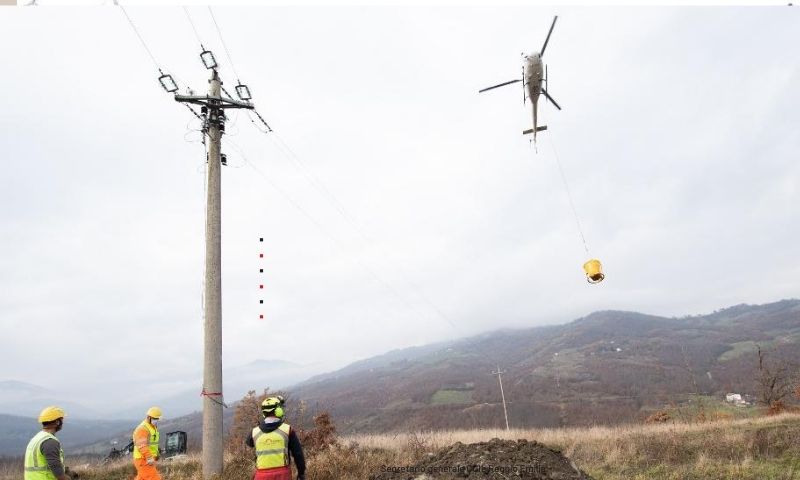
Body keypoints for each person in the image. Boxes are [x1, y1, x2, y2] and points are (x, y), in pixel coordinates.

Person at [246, 396, 306, 480]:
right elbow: (298, 454)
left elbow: (249, 443)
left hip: (261, 475)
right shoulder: (288, 430)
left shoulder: (254, 432)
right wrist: (301, 473)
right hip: (283, 475)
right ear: (278, 411)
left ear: (264, 413)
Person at [24, 406, 70, 480]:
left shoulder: (37, 438)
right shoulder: (50, 442)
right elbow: (57, 471)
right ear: (57, 422)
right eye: (61, 420)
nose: (62, 422)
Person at [132, 407, 162, 480]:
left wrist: (156, 453)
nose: (156, 420)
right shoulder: (143, 428)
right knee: (154, 478)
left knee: (141, 478)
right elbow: (142, 445)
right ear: (149, 417)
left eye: (157, 419)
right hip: (143, 459)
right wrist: (149, 457)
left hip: (147, 459)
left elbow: (153, 443)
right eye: (155, 418)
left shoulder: (152, 427)